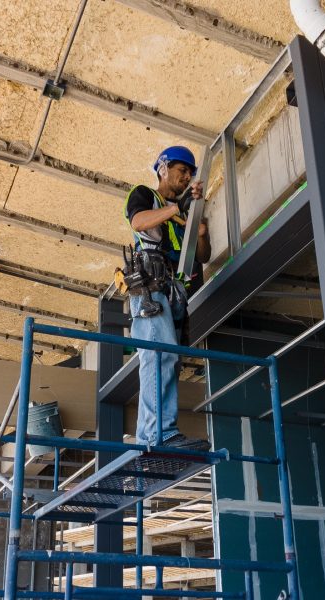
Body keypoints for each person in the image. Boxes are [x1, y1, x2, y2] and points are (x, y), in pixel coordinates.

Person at [124, 146, 211, 450]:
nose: (186, 177)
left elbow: (203, 256)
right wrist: (176, 209)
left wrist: (199, 230)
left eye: (190, 173)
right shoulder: (145, 195)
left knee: (168, 360)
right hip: (150, 288)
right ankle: (156, 435)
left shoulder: (185, 212)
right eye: (182, 170)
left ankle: (159, 432)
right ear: (163, 168)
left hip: (173, 292)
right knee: (158, 356)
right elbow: (138, 222)